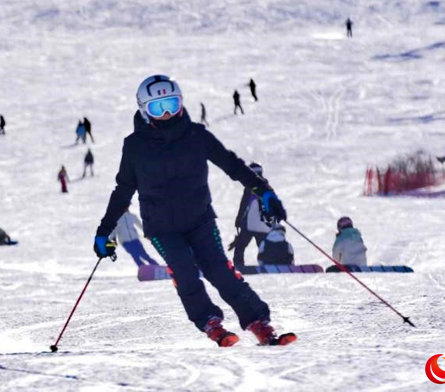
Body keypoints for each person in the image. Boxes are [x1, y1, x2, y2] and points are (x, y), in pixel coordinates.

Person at [93, 74, 295, 347]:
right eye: (157, 107)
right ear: (143, 109)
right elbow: (123, 191)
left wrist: (263, 191)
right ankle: (209, 322)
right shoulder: (135, 146)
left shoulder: (196, 135)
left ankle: (259, 322)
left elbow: (232, 165)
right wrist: (105, 231)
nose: (165, 114)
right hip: (162, 228)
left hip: (200, 219)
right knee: (184, 271)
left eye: (171, 105)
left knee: (220, 271)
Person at [229, 162, 269, 267]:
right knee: (263, 246)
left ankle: (239, 264)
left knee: (240, 246)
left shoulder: (249, 188)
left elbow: (244, 205)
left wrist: (238, 220)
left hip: (250, 225)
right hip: (263, 225)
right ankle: (267, 263)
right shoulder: (267, 187)